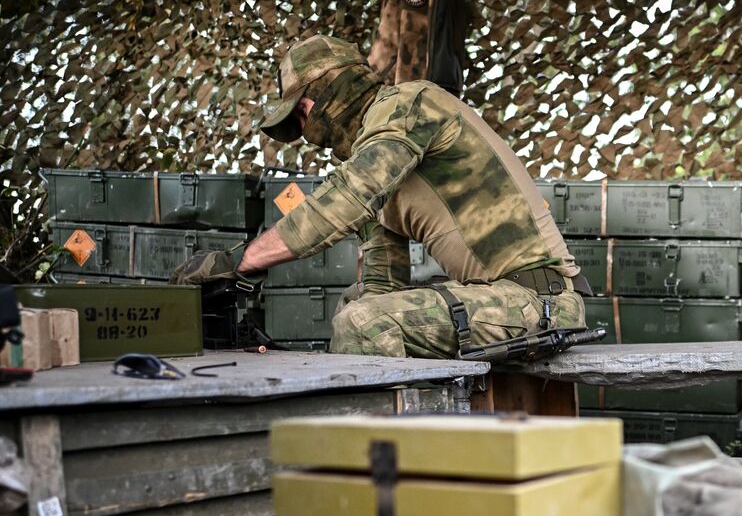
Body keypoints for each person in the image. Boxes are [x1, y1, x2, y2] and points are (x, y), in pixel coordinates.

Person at [170, 35, 586, 358]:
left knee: (366, 324)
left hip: (541, 301)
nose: (307, 127)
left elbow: (349, 197)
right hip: (500, 302)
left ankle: (376, 462)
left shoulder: (411, 104)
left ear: (331, 90)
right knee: (357, 306)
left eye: (303, 110)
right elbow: (382, 284)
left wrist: (237, 263)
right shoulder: (378, 164)